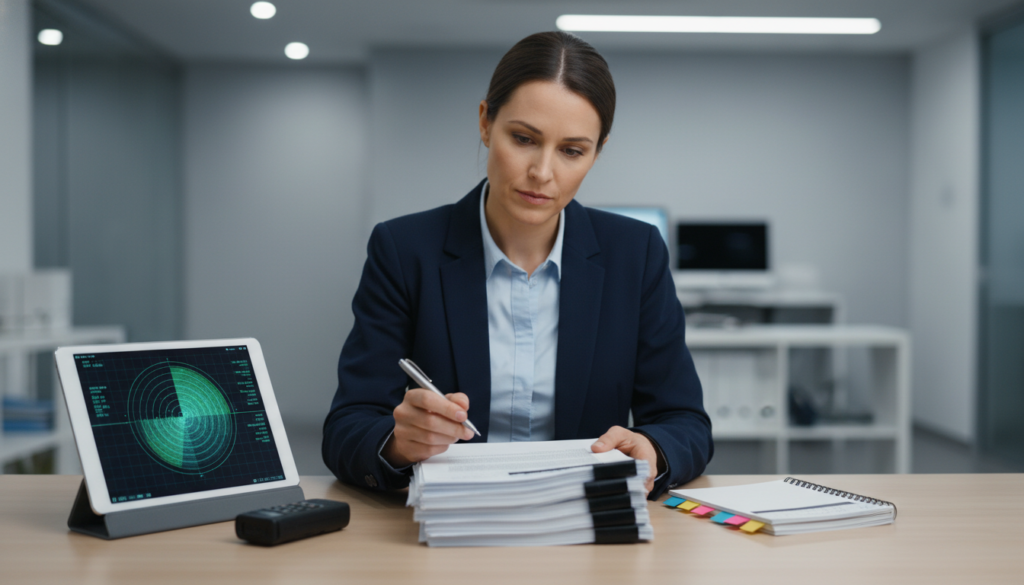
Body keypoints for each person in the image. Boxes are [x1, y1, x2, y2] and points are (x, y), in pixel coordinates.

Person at [322, 31, 712, 499]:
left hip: (582, 523)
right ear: (486, 123)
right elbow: (347, 426)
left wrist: (652, 447)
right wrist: (398, 444)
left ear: (597, 152)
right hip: (448, 525)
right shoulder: (404, 249)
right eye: (524, 138)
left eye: (572, 150)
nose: (543, 172)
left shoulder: (636, 253)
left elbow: (685, 422)